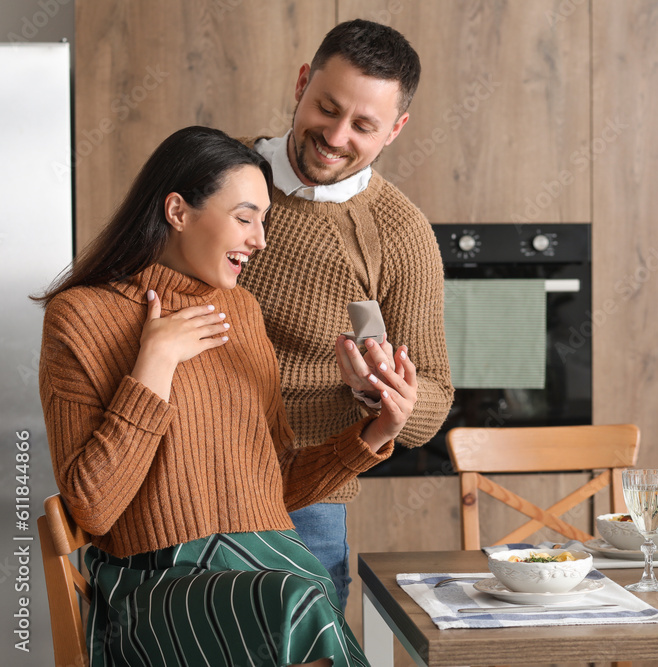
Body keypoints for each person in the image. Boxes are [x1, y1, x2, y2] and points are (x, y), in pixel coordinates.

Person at [36, 126, 416, 667]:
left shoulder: (241, 313)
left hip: (267, 567)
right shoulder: (80, 316)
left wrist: (375, 434)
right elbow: (93, 509)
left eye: (263, 220)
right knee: (297, 600)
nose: (259, 240)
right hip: (158, 589)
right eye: (245, 218)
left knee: (297, 595)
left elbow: (276, 482)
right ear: (177, 211)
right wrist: (154, 364)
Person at [238, 18, 453, 606]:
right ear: (303, 82)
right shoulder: (215, 176)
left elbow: (430, 403)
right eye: (326, 108)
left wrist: (383, 395)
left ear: (396, 130)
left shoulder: (399, 233)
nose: (335, 136)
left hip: (306, 498)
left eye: (363, 125)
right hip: (182, 471)